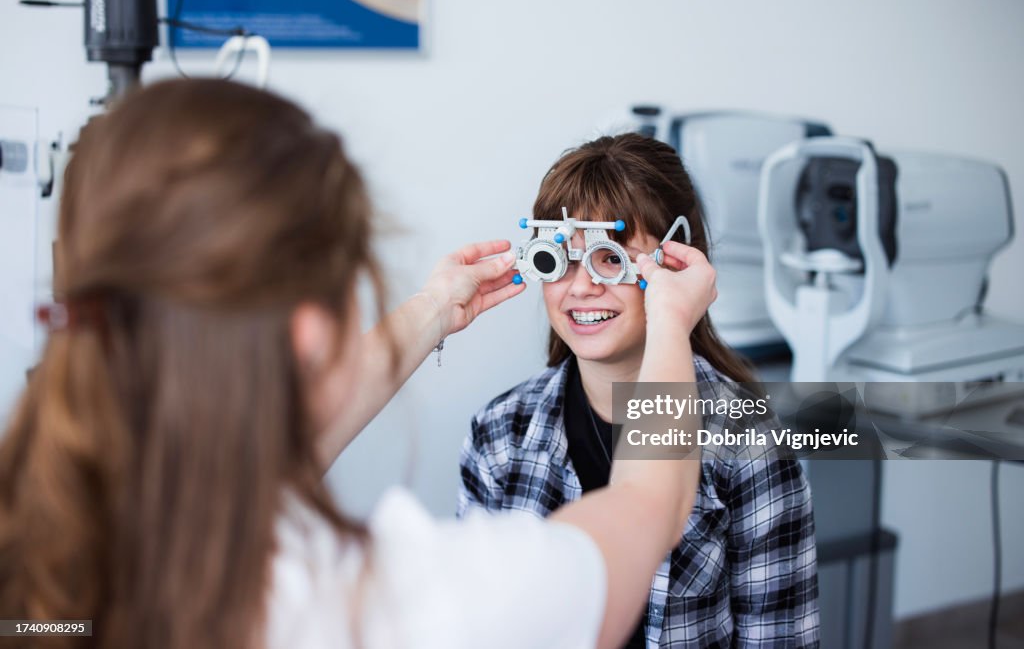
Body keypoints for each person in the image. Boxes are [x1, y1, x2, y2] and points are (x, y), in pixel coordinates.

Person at [0, 79, 717, 649]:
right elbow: (650, 504)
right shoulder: (394, 592)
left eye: (613, 257)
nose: (588, 281)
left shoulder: (44, 546)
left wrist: (437, 307)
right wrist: (671, 328)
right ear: (312, 330)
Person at [458, 133, 820, 648]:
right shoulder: (499, 433)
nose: (581, 286)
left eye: (611, 259)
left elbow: (781, 638)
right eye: (559, 257)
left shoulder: (749, 442)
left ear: (675, 265)